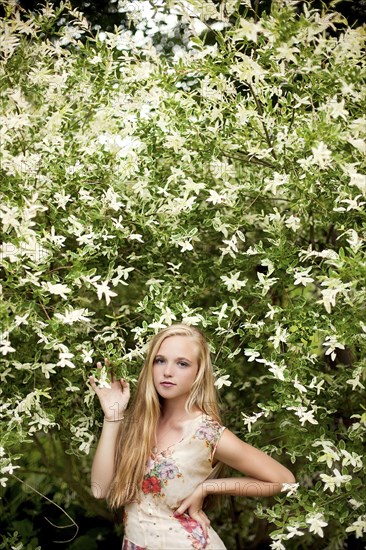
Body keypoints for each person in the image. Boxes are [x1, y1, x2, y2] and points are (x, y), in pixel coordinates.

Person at [90, 324, 296, 549]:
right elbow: (100, 489)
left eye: (182, 363)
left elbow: (284, 481)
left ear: (198, 373)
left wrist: (209, 487)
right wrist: (113, 416)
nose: (168, 371)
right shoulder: (138, 423)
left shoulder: (207, 434)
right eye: (160, 360)